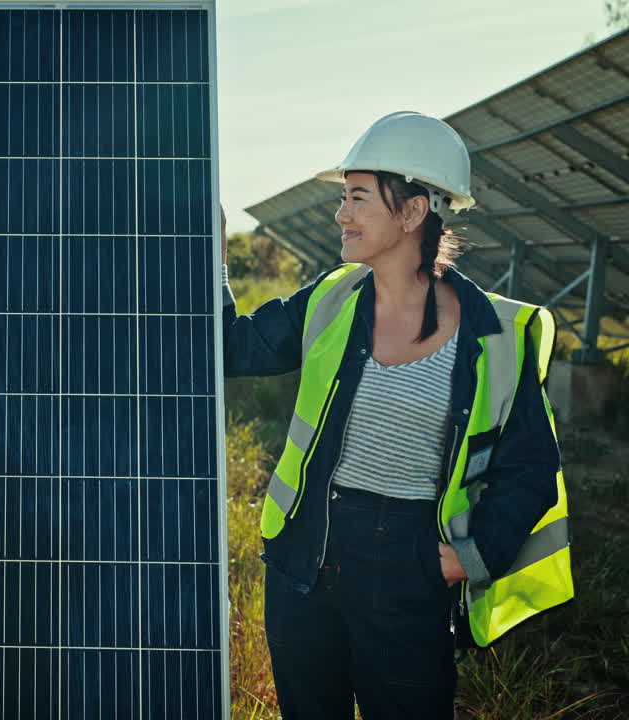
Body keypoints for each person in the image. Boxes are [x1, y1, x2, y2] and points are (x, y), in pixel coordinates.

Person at [220, 111, 573, 719]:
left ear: (412, 213)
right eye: (343, 197)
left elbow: (533, 468)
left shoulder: (496, 337)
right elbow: (234, 346)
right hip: (305, 559)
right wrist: (209, 250)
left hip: (409, 568)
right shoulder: (330, 298)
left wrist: (473, 555)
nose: (341, 215)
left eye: (358, 197)